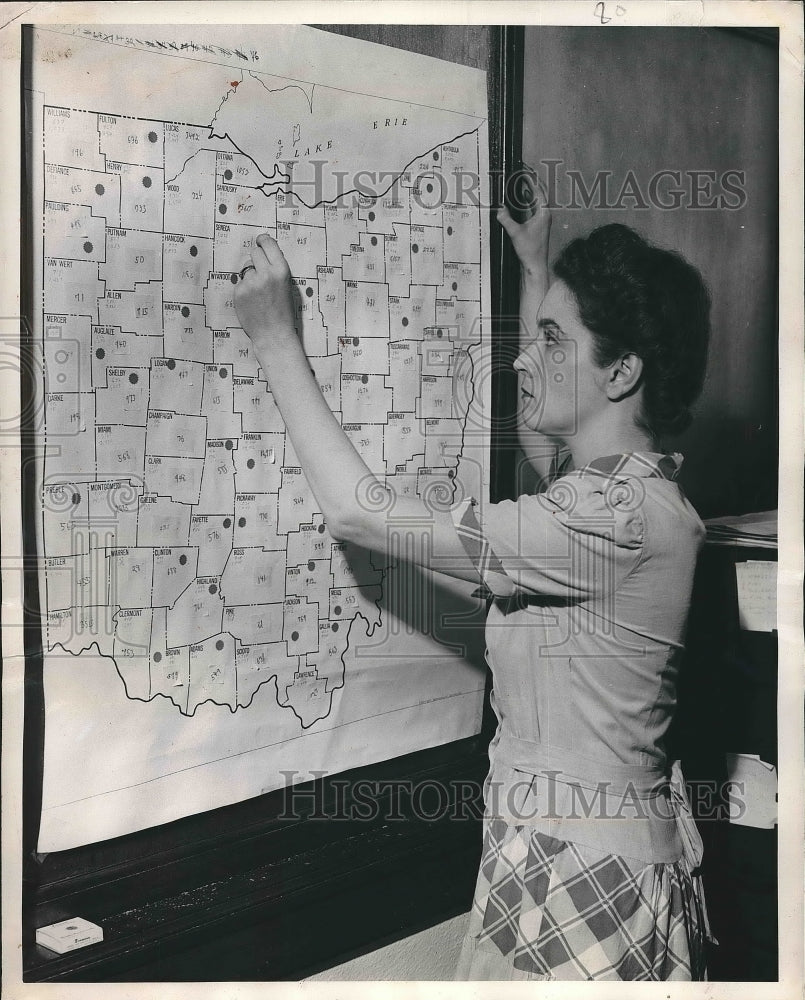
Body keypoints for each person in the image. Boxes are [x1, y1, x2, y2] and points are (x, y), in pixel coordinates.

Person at [233, 177, 714, 981]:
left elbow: (361, 514)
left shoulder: (611, 522)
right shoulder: (629, 490)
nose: (523, 357)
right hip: (565, 846)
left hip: (587, 870)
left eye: (551, 340)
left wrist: (276, 340)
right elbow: (548, 451)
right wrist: (535, 271)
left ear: (621, 371)